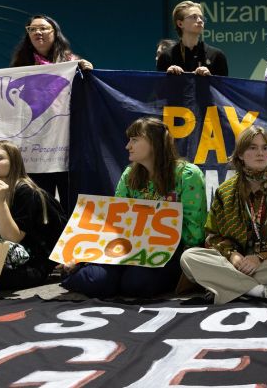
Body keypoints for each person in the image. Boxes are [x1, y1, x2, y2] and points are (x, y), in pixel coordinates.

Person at [61, 117, 207, 298]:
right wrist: (83, 255)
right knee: (96, 281)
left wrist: (158, 234)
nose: (128, 146)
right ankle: (91, 273)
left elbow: (194, 234)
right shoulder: (130, 175)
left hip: (167, 253)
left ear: (154, 143)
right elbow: (115, 224)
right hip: (127, 249)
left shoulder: (188, 175)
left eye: (135, 140)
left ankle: (117, 279)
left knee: (136, 284)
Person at [180, 126, 267, 304]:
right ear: (240, 155)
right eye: (253, 147)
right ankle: (259, 291)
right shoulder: (226, 191)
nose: (260, 153)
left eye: (265, 148)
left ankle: (224, 286)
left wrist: (259, 257)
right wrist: (233, 256)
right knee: (189, 257)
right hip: (236, 263)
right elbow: (213, 237)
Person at [9, 14, 93, 204]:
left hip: (66, 141)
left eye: (44, 28)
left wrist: (87, 71)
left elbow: (87, 93)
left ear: (55, 32)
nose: (38, 32)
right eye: (32, 29)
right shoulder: (21, 66)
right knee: (40, 200)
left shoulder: (71, 62)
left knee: (70, 197)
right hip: (35, 144)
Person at [0, 141, 66, 291]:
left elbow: (11, 238)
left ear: (13, 162)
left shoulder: (26, 192)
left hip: (32, 264)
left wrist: (1, 202)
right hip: (3, 257)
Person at [157, 0, 228, 76]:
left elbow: (223, 87)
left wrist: (210, 78)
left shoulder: (216, 56)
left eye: (201, 17)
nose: (200, 21)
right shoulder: (166, 57)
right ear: (180, 24)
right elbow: (160, 87)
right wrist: (168, 77)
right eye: (194, 17)